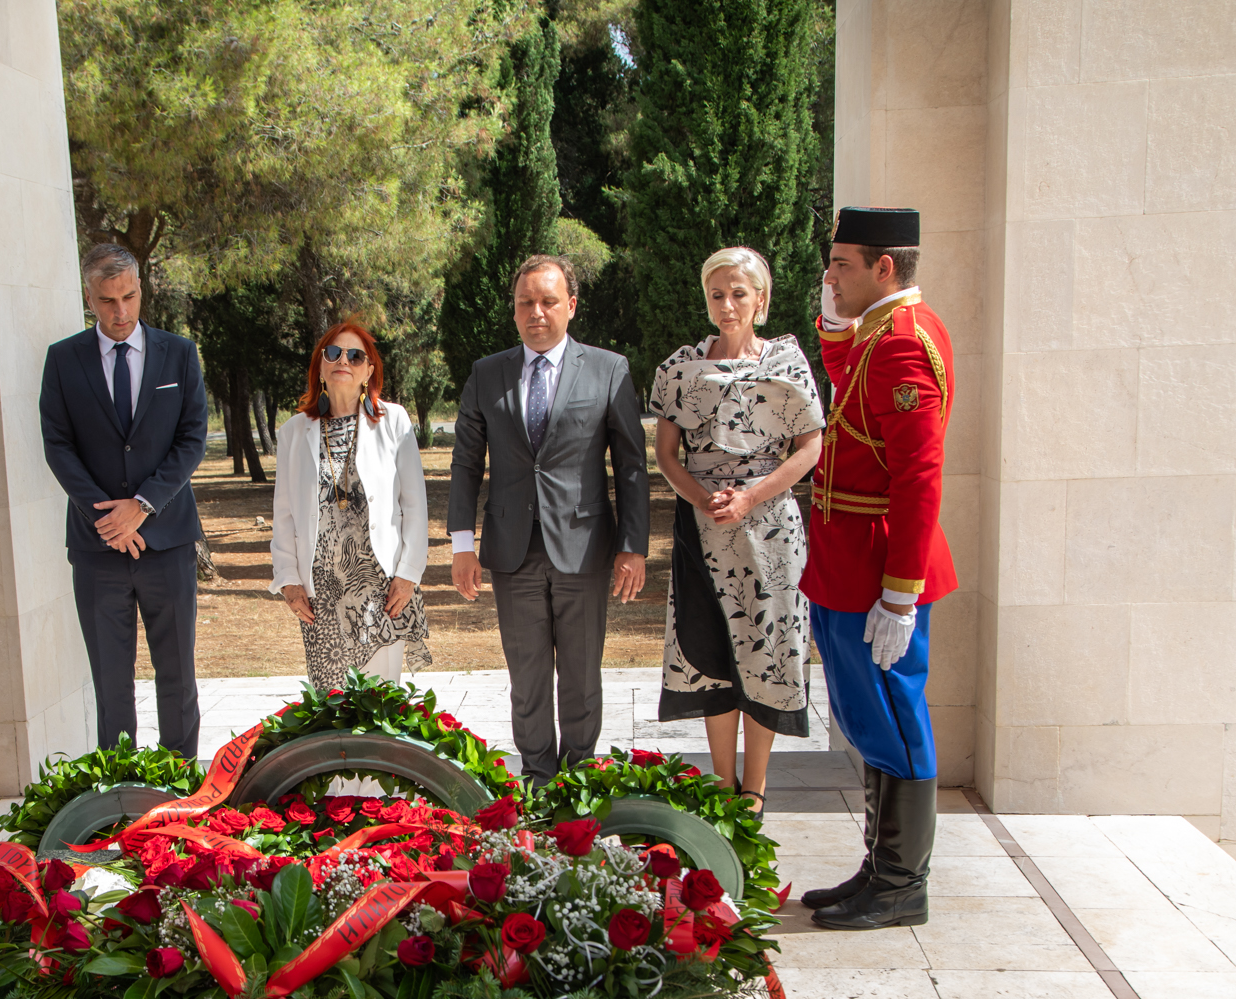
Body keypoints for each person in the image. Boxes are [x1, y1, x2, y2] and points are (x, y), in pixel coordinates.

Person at [799, 206, 957, 931]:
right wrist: (834, 326)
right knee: (867, 716)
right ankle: (880, 866)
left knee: (894, 717)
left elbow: (919, 478)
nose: (830, 275)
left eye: (841, 264)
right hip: (848, 561)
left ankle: (901, 883)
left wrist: (900, 594)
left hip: (879, 569)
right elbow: (849, 396)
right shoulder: (875, 338)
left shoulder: (902, 345)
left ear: (883, 268)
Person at [449, 254, 649, 784]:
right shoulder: (486, 373)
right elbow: (467, 462)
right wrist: (461, 544)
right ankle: (538, 778)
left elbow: (630, 465)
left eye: (548, 301)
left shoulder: (610, 369)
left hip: (584, 548)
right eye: (525, 303)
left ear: (571, 306)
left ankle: (579, 781)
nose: (536, 312)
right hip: (512, 550)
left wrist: (634, 546)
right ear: (514, 312)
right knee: (528, 677)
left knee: (581, 675)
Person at [649, 247, 824, 814]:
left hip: (769, 531)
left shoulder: (790, 365)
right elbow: (667, 453)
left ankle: (755, 789)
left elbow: (810, 447)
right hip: (702, 528)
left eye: (739, 293)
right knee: (710, 649)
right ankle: (721, 783)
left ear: (761, 300)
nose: (728, 305)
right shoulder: (681, 368)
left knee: (766, 649)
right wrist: (703, 498)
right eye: (718, 294)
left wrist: (752, 496)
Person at [39, 243, 209, 757]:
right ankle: (118, 792)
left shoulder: (179, 353)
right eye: (108, 300)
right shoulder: (63, 360)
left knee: (177, 676)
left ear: (141, 290)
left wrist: (143, 505)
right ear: (89, 297)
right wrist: (109, 520)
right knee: (111, 684)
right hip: (98, 551)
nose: (120, 312)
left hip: (168, 542)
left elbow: (192, 438)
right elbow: (58, 446)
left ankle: (182, 791)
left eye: (129, 297)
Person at [268, 321, 432, 688]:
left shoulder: (393, 422)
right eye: (333, 353)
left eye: (356, 355)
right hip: (320, 594)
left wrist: (409, 574)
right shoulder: (293, 432)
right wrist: (288, 580)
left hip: (381, 587)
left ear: (368, 371)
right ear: (321, 367)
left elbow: (415, 505)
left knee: (379, 703)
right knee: (333, 707)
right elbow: (284, 515)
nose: (344, 360)